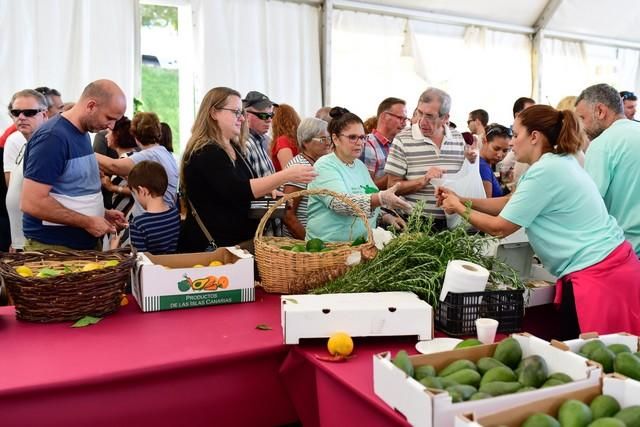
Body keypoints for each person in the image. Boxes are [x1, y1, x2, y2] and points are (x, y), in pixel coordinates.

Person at [438, 104, 640, 336]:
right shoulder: (558, 162)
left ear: (534, 136)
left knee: (594, 361)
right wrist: (462, 199)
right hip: (614, 267)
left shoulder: (545, 171)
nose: (512, 143)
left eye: (515, 135)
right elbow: (509, 203)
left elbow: (500, 228)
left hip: (600, 278)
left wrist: (458, 208)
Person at [178, 87, 316, 252]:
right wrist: (286, 175)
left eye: (241, 112)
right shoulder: (205, 151)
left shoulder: (233, 147)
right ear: (214, 113)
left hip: (237, 245)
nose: (242, 118)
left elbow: (243, 184)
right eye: (236, 112)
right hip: (213, 248)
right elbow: (238, 190)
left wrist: (267, 192)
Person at [21, 79, 128, 250]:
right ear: (91, 105)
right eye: (109, 118)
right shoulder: (53, 138)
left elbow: (71, 191)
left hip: (78, 246)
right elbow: (32, 202)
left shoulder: (82, 132)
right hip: (56, 249)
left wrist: (101, 213)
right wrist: (87, 221)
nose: (112, 126)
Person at [306, 107, 410, 242]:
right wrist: (381, 198)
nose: (360, 142)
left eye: (362, 137)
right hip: (329, 249)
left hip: (360, 247)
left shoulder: (359, 166)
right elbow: (341, 204)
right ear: (336, 139)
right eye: (352, 137)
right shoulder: (324, 166)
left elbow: (365, 199)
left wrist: (385, 216)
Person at [384, 87, 477, 230]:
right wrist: (424, 180)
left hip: (454, 224)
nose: (422, 121)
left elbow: (462, 179)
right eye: (419, 113)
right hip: (415, 224)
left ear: (445, 118)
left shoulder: (457, 138)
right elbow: (392, 187)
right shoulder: (402, 139)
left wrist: (470, 162)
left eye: (429, 116)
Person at [576, 83, 640, 257]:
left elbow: (589, 206)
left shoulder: (602, 145)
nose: (581, 127)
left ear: (600, 111)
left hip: (625, 250)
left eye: (582, 118)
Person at [96, 112, 178, 217]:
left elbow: (113, 166)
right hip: (164, 216)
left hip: (151, 219)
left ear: (134, 135)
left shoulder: (148, 155)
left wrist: (87, 153)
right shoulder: (163, 152)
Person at [3, 90, 49, 252]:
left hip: (39, 242)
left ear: (45, 115)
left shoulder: (47, 147)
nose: (21, 117)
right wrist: (15, 239)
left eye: (29, 113)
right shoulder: (25, 144)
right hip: (23, 241)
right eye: (16, 112)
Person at [111, 161, 179, 254]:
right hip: (169, 266)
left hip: (149, 268)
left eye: (134, 193)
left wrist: (115, 250)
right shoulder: (174, 213)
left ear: (143, 191)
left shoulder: (139, 224)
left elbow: (140, 260)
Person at [283, 117, 332, 239]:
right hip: (302, 244)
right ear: (305, 141)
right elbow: (288, 215)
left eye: (329, 138)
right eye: (322, 139)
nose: (328, 143)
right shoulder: (299, 167)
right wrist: (309, 243)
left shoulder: (316, 164)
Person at [360, 97, 408, 190]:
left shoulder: (399, 144)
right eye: (401, 118)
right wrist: (396, 172)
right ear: (384, 116)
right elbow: (365, 188)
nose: (404, 124)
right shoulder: (368, 144)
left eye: (406, 119)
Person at [100, 116, 137, 216]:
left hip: (128, 215)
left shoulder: (127, 159)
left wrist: (112, 187)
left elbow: (138, 189)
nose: (106, 136)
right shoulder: (130, 157)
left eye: (109, 132)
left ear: (117, 135)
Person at [243, 91, 277, 177]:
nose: (269, 120)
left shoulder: (260, 139)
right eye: (263, 116)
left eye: (271, 115)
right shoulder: (245, 144)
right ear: (247, 116)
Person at [479, 124, 511, 197]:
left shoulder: (487, 165)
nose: (500, 155)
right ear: (484, 141)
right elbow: (486, 205)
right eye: (496, 149)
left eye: (505, 151)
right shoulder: (483, 167)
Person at [270, 104, 300, 171]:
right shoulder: (296, 138)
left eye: (271, 116)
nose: (269, 119)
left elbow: (289, 172)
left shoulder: (283, 141)